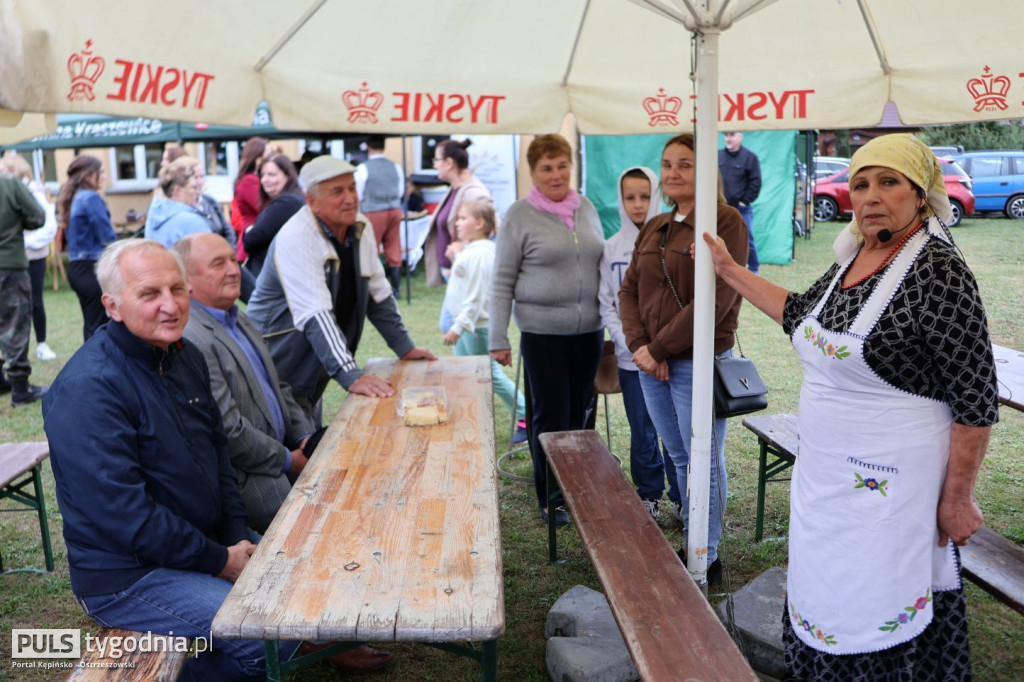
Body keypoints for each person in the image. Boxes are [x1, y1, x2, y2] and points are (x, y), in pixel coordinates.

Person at [702, 133, 997, 680]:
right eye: (860, 184)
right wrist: (727, 270)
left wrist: (957, 498)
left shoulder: (939, 272)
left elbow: (975, 398)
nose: (870, 197)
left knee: (877, 606)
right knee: (823, 592)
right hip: (825, 484)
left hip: (895, 490)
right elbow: (797, 314)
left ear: (920, 192)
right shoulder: (854, 257)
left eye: (889, 182)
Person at [42, 239, 391, 679]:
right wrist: (219, 560)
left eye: (177, 289)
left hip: (198, 541)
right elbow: (124, 517)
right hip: (128, 576)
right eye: (150, 294)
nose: (169, 305)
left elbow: (219, 458)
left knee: (305, 581)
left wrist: (232, 539)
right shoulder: (90, 389)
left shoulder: (179, 356)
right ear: (112, 305)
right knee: (271, 637)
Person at [619, 133, 748, 586]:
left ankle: (705, 554)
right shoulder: (655, 225)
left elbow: (716, 302)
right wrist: (640, 346)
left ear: (705, 170)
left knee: (702, 457)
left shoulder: (726, 223)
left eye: (685, 164)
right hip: (651, 363)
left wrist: (657, 350)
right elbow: (629, 289)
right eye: (667, 164)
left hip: (694, 361)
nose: (673, 173)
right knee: (677, 453)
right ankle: (696, 535)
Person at [246, 156, 436, 427]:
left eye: (352, 188)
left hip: (314, 360)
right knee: (286, 448)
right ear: (311, 201)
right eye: (337, 192)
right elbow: (316, 315)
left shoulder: (359, 227)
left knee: (310, 436)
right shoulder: (296, 237)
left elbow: (377, 293)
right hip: (275, 364)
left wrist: (405, 347)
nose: (350, 198)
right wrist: (350, 375)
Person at [489, 134, 605, 526]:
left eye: (562, 166)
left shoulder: (586, 207)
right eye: (546, 168)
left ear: (571, 167)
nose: (556, 175)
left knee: (581, 413)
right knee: (551, 416)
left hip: (589, 331)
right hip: (542, 335)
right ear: (533, 173)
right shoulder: (519, 215)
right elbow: (502, 279)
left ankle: (579, 485)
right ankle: (551, 496)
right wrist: (497, 338)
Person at [177, 233, 322, 533]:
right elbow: (229, 430)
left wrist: (305, 437)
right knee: (303, 532)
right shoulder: (192, 337)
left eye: (233, 259)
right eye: (218, 264)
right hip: (248, 474)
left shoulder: (239, 318)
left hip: (285, 451)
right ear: (186, 279)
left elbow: (279, 386)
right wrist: (288, 460)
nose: (234, 270)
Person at [598, 166, 679, 521]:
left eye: (645, 196)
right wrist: (631, 346)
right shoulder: (612, 248)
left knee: (673, 431)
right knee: (642, 429)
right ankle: (649, 494)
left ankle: (680, 495)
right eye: (630, 197)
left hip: (670, 358)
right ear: (620, 199)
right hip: (632, 360)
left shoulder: (671, 241)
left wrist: (662, 347)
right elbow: (607, 304)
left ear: (656, 196)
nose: (638, 204)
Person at [442, 199, 527, 444]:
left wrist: (458, 326)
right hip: (469, 325)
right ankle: (470, 418)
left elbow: (477, 296)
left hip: (475, 327)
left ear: (479, 224)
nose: (457, 223)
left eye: (462, 218)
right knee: (465, 374)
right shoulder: (473, 250)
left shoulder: (481, 254)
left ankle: (524, 413)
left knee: (489, 375)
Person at [0, 166, 48, 406]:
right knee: (15, 322)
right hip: (8, 263)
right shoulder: (9, 182)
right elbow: (38, 217)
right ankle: (20, 388)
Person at [3, 154, 58, 361]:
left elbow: (48, 225)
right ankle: (16, 351)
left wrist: (23, 242)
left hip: (32, 256)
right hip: (12, 257)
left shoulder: (33, 191)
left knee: (35, 302)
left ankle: (41, 343)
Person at [58, 154, 118, 341]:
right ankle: (95, 367)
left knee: (92, 325)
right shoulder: (90, 198)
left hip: (78, 268)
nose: (104, 176)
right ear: (88, 175)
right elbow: (107, 237)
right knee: (99, 327)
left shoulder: (76, 196)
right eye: (101, 172)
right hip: (91, 268)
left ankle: (91, 366)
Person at [423, 139, 491, 287]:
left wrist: (462, 248)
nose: (434, 165)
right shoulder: (455, 188)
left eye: (437, 160)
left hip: (465, 273)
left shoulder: (474, 193)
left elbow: (490, 229)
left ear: (449, 163)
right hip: (454, 271)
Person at [354, 135, 404, 292]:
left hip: (373, 210)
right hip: (394, 209)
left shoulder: (363, 168)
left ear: (368, 147)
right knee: (394, 245)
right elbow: (400, 191)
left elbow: (358, 194)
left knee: (371, 247)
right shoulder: (395, 166)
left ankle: (374, 286)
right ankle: (396, 288)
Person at [242, 154, 303, 278]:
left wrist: (248, 230)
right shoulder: (291, 200)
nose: (265, 179)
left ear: (287, 175)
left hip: (272, 276)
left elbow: (252, 240)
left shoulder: (286, 203)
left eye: (271, 174)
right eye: (262, 175)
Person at [719, 131, 761, 273]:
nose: (728, 138)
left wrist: (744, 201)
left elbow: (756, 182)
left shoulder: (749, 157)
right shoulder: (717, 156)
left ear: (740, 136)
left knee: (746, 238)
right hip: (720, 208)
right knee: (719, 238)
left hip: (740, 209)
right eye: (726, 135)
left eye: (732, 135)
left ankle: (754, 269)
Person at [144, 157, 210, 247]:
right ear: (177, 190)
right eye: (193, 187)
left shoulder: (154, 215)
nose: (198, 192)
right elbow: (211, 255)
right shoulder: (192, 221)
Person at [231, 136, 269, 264]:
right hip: (253, 241)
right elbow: (262, 207)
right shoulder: (249, 181)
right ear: (258, 157)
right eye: (267, 155)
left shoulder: (250, 179)